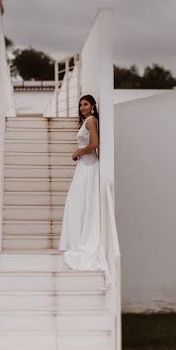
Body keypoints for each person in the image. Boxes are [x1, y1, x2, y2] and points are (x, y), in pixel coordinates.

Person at [58, 95, 110, 281]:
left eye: (85, 104)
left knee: (80, 204)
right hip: (83, 167)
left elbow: (95, 144)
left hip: (89, 167)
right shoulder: (87, 121)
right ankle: (77, 239)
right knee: (75, 204)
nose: (82, 107)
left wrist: (79, 151)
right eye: (80, 104)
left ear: (93, 106)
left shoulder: (91, 121)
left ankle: (84, 241)